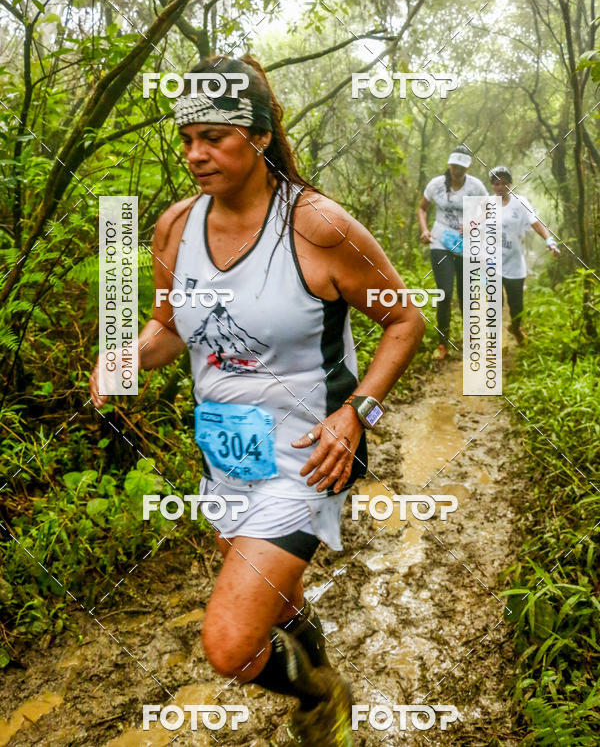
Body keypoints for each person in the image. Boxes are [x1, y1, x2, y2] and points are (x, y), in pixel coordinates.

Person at [90, 54, 425, 745]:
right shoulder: (175, 228)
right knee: (279, 600)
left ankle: (320, 692)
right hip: (224, 450)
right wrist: (124, 359)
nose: (195, 154)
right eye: (186, 139)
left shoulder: (318, 227)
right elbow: (167, 327)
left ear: (263, 136)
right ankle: (320, 664)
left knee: (231, 641)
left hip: (307, 456)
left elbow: (405, 319)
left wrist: (356, 414)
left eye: (215, 136)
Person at [417, 146, 488, 360]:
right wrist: (425, 230)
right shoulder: (436, 185)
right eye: (454, 165)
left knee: (465, 294)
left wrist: (473, 224)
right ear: (450, 164)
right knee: (445, 293)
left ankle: (471, 341)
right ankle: (442, 343)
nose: (457, 170)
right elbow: (422, 208)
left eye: (461, 166)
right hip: (440, 241)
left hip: (466, 244)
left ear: (468, 166)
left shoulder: (475, 186)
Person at [488, 165, 559, 343]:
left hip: (514, 264)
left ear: (510, 184)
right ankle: (494, 340)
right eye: (496, 184)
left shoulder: (520, 202)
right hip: (492, 263)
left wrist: (548, 240)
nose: (499, 187)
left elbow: (535, 223)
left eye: (503, 183)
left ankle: (515, 327)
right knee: (494, 303)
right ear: (492, 186)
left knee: (516, 304)